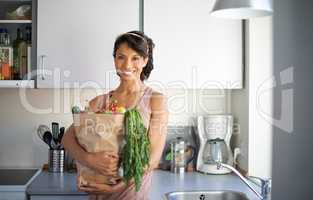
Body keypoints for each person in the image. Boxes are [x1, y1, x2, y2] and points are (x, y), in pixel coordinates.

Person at [62, 30, 168, 199]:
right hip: (98, 193)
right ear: (114, 60)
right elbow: (67, 137)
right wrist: (89, 159)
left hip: (132, 195)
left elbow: (153, 159)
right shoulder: (100, 102)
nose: (127, 65)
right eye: (121, 57)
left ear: (145, 61)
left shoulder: (155, 100)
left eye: (135, 58)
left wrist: (117, 187)